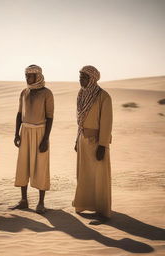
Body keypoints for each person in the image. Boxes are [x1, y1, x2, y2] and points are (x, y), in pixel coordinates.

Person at [73, 65, 113, 223]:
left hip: (97, 143)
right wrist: (77, 139)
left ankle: (103, 212)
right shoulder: (81, 94)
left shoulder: (103, 96)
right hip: (83, 140)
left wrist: (103, 145)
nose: (81, 80)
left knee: (99, 177)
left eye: (84, 77)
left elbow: (107, 122)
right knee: (85, 176)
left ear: (92, 79)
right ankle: (85, 204)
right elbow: (80, 122)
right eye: (80, 76)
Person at [12, 65, 54, 214]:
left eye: (30, 76)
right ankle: (24, 200)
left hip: (40, 132)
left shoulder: (47, 93)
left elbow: (50, 117)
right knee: (23, 165)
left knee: (41, 166)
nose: (27, 78)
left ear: (38, 76)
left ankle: (41, 203)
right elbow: (19, 114)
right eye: (26, 75)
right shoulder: (24, 92)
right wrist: (16, 134)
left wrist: (45, 139)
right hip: (25, 132)